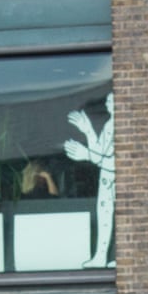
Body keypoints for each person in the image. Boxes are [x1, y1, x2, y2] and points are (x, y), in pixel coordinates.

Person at [64, 92, 115, 268]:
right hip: (106, 179)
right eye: (107, 101)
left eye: (111, 101)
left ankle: (116, 257)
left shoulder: (121, 127)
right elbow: (99, 152)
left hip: (115, 182)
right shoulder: (109, 125)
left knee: (118, 218)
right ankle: (100, 257)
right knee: (104, 218)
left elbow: (113, 161)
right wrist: (88, 130)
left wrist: (86, 154)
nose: (107, 105)